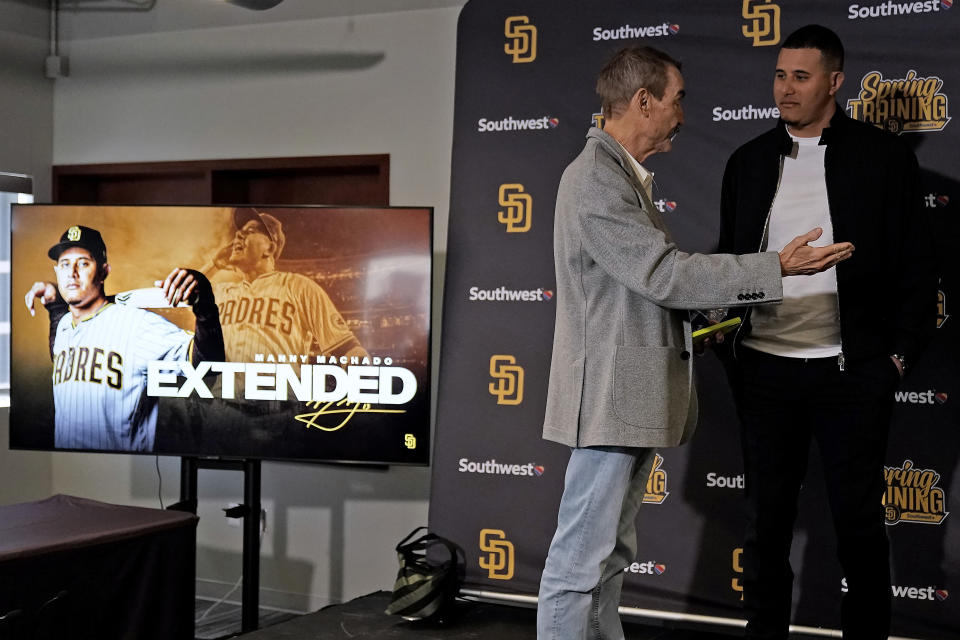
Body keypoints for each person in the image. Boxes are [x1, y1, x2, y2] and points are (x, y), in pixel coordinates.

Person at [537, 45, 855, 640]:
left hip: (625, 401)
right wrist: (775, 269)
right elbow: (664, 275)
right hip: (610, 402)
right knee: (578, 565)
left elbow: (638, 292)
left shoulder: (618, 175)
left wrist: (702, 324)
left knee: (605, 560)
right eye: (677, 100)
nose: (683, 114)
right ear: (643, 101)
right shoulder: (595, 181)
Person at [717, 25, 936, 638]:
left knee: (859, 527)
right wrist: (730, 341)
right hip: (765, 371)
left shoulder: (884, 159)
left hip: (853, 373)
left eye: (801, 77)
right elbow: (732, 262)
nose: (786, 89)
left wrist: (894, 359)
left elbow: (919, 269)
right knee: (765, 528)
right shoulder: (748, 161)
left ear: (835, 82)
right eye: (780, 76)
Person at [24, 224, 224, 452]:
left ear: (104, 271)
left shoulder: (137, 325)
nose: (72, 273)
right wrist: (54, 305)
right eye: (65, 264)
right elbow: (62, 354)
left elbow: (208, 364)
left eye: (84, 263)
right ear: (57, 271)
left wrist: (205, 307)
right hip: (68, 468)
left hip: (121, 471)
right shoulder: (63, 328)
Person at [204, 207, 366, 363]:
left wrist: (361, 377)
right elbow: (178, 294)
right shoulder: (223, 291)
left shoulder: (299, 287)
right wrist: (214, 265)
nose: (238, 235)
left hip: (278, 391)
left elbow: (348, 348)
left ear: (270, 248)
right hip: (223, 392)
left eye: (251, 231)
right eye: (239, 232)